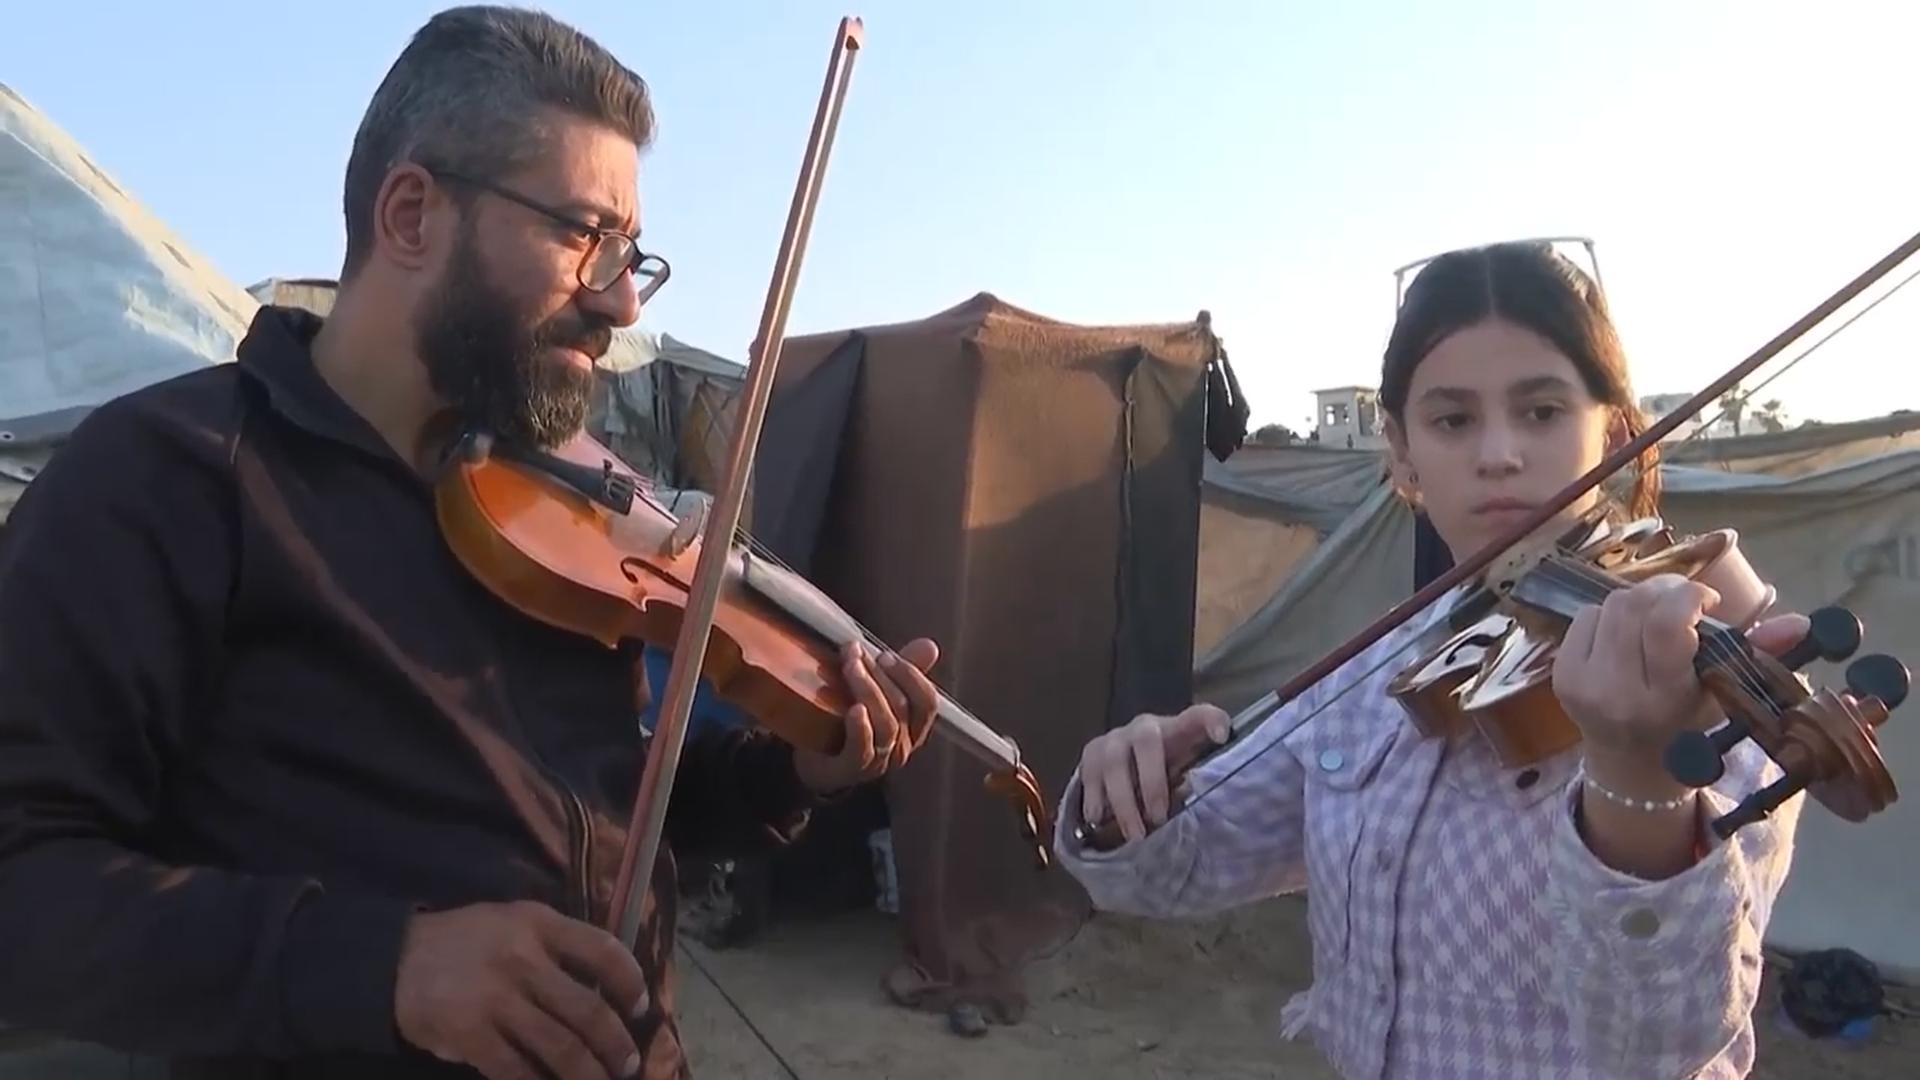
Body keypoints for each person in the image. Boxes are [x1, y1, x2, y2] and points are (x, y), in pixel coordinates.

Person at [0, 7, 942, 1079]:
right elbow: (21, 878)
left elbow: (607, 803)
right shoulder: (168, 478)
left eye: (631, 256)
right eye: (585, 236)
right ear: (412, 216)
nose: (618, 301)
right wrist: (386, 967)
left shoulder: (560, 506)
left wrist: (789, 773)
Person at [1055, 240, 1810, 1079]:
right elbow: (1172, 875)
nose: (1498, 454)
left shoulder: (1694, 674)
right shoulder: (1381, 667)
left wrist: (1641, 785)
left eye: (1543, 412)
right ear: (1403, 452)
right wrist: (1125, 796)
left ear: (1615, 432)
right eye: (1453, 420)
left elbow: (1665, 1047)